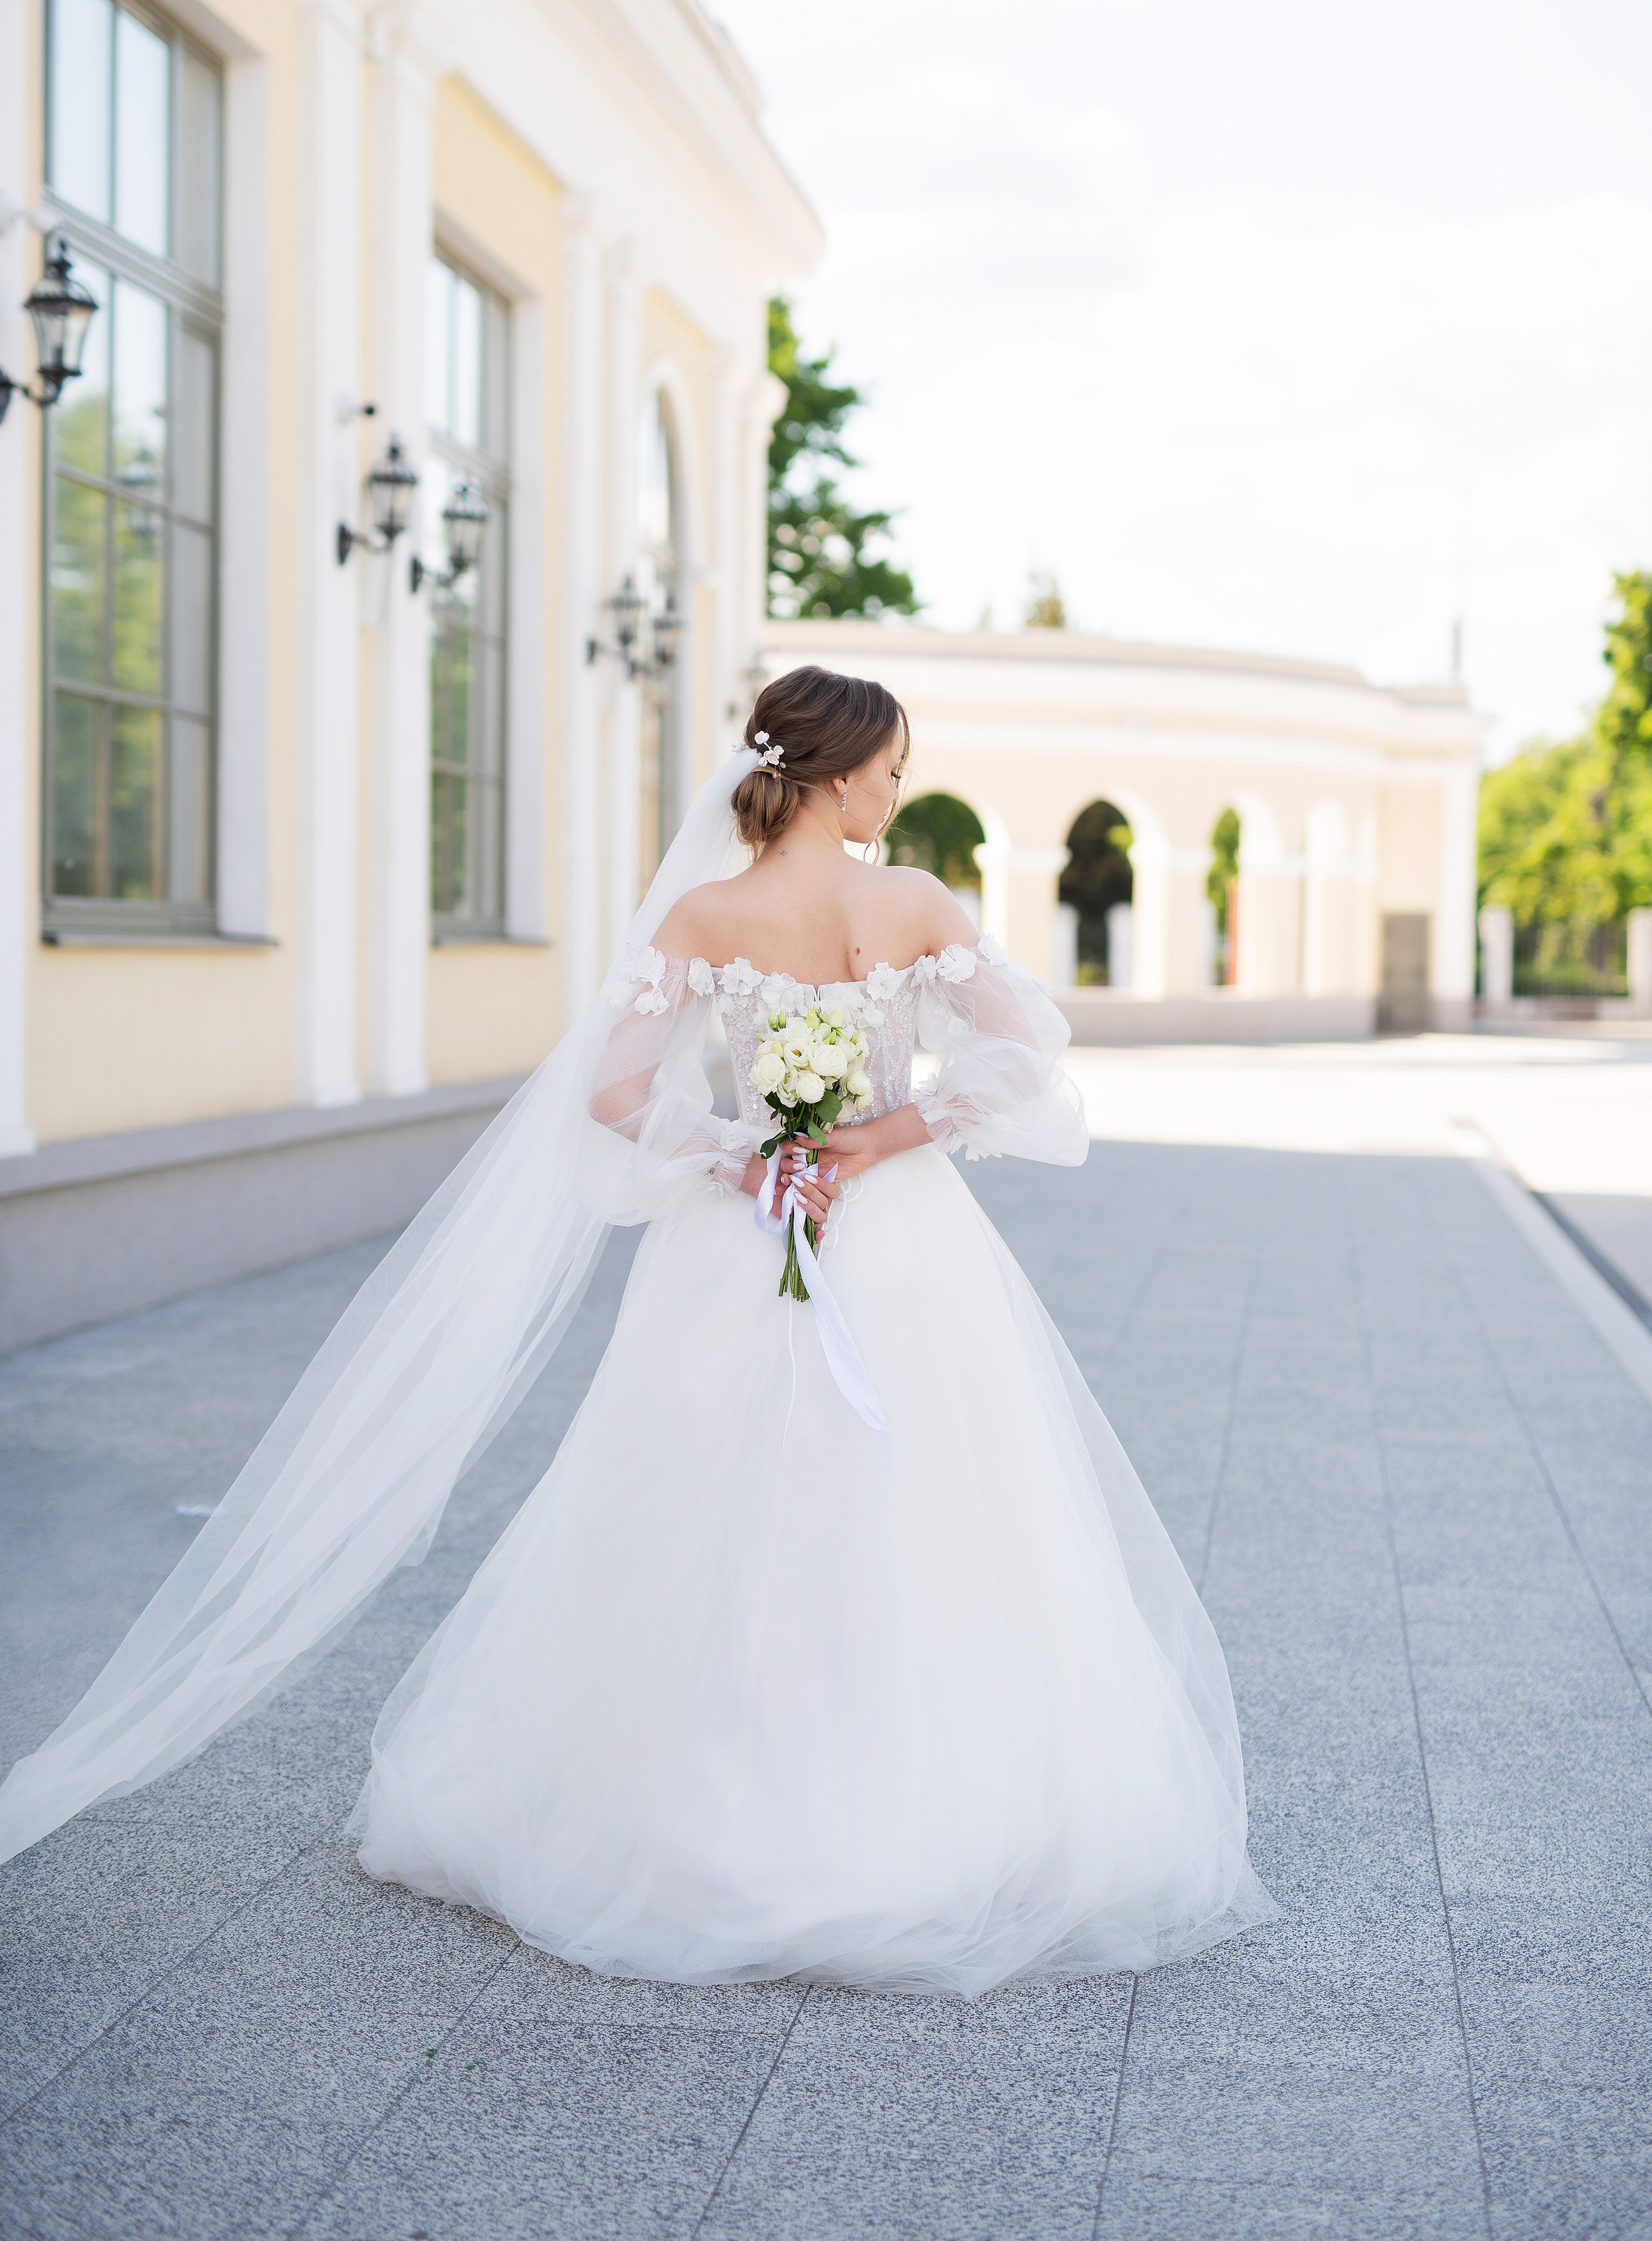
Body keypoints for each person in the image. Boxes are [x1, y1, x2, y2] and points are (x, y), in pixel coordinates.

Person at [0, 666, 1271, 1997]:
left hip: (735, 1246)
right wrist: (880, 1134)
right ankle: (928, 1801)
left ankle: (685, 1803)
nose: (898, 789)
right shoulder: (914, 905)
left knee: (714, 1505)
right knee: (919, 1496)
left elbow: (611, 1087)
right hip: (900, 1237)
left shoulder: (703, 913)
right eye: (893, 767)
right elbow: (1026, 1055)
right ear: (838, 776)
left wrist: (745, 1156)